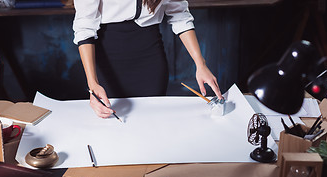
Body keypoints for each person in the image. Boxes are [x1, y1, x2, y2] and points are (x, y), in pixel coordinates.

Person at [73, 0, 223, 119]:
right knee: (112, 123)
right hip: (108, 60)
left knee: (152, 123)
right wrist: (93, 84)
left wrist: (200, 64)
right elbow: (84, 28)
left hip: (150, 58)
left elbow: (180, 15)